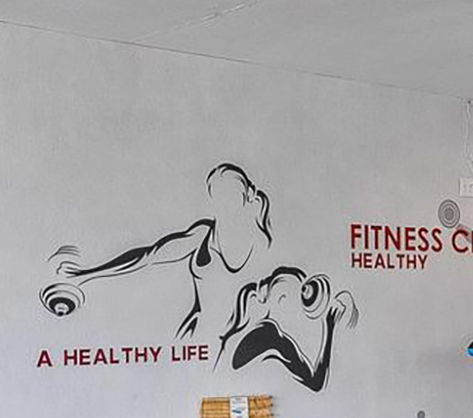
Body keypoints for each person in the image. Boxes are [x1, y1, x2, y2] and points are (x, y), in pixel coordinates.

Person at [41, 163, 355, 390]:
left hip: (216, 352)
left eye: (231, 197)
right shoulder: (206, 235)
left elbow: (314, 380)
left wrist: (328, 324)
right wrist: (87, 274)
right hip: (194, 336)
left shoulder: (267, 316)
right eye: (219, 198)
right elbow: (150, 255)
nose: (261, 290)